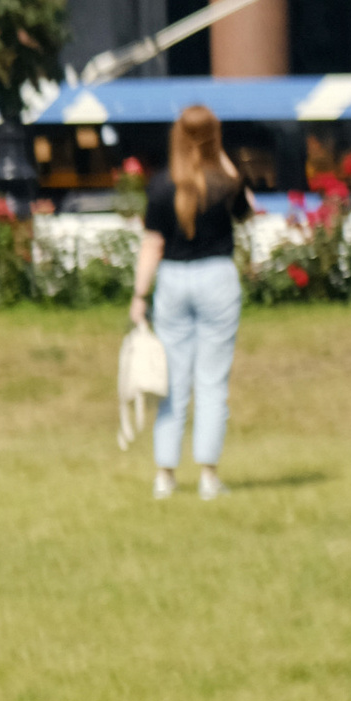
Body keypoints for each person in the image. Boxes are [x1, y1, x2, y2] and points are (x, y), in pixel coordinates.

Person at [131, 102, 245, 499]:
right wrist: (217, 151)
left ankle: (164, 475)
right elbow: (246, 209)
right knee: (212, 382)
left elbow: (152, 244)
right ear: (215, 139)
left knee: (173, 384)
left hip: (174, 282)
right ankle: (209, 478)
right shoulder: (225, 182)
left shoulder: (162, 184)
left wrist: (139, 296)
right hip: (217, 278)